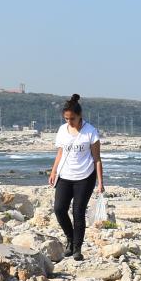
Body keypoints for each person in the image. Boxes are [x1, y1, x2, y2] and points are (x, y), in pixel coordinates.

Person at [47, 94, 104, 259]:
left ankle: (77, 249)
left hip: (85, 177)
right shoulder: (62, 130)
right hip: (65, 176)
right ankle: (70, 239)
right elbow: (60, 152)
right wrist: (53, 171)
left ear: (80, 116)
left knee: (78, 212)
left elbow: (97, 159)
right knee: (59, 209)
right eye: (66, 119)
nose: (69, 122)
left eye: (72, 118)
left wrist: (100, 183)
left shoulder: (90, 132)